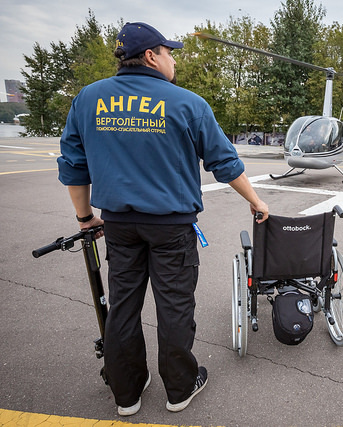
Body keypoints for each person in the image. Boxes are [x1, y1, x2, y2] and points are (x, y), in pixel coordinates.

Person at [57, 22, 269, 416]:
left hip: (119, 225)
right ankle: (179, 389)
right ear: (152, 56)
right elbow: (223, 162)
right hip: (172, 227)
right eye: (169, 53)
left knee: (123, 306)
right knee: (174, 307)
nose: (173, 60)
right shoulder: (187, 103)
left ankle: (127, 393)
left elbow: (73, 167)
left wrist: (85, 218)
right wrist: (256, 201)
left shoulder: (88, 99)